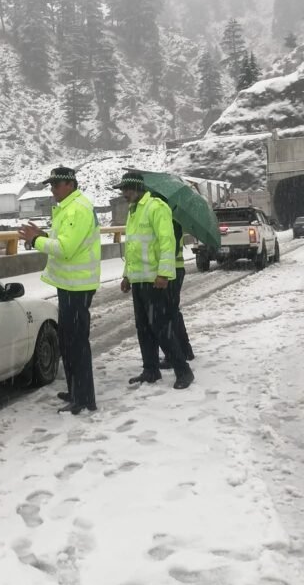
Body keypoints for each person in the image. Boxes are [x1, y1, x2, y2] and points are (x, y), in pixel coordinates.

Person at [18, 166, 101, 414]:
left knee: (76, 343)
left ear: (69, 185)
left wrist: (35, 240)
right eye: (51, 186)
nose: (52, 190)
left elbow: (65, 248)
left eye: (55, 185)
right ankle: (76, 389)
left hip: (78, 286)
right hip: (69, 285)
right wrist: (44, 234)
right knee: (68, 342)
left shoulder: (77, 208)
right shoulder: (68, 208)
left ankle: (85, 398)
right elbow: (61, 236)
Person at [115, 170, 195, 390]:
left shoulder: (156, 207)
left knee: (160, 326)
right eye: (122, 190)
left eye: (126, 190)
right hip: (139, 279)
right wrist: (126, 276)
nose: (123, 194)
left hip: (153, 279)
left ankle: (183, 370)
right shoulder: (133, 211)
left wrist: (164, 273)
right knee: (143, 327)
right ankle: (150, 370)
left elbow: (167, 242)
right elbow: (132, 248)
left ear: (138, 189)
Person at [160, 220, 196, 368]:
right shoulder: (174, 219)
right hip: (175, 269)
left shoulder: (171, 221)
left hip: (172, 271)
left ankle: (175, 353)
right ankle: (185, 349)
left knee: (169, 313)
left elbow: (171, 248)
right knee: (173, 312)